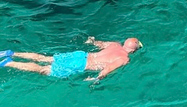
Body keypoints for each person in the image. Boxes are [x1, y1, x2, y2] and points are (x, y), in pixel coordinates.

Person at [0, 36, 143, 80]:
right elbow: (108, 69)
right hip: (80, 65)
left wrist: (91, 41)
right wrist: (95, 79)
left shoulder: (114, 44)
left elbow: (98, 43)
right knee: (43, 70)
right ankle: (8, 63)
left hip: (81, 55)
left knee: (45, 58)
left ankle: (11, 53)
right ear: (134, 50)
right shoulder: (124, 59)